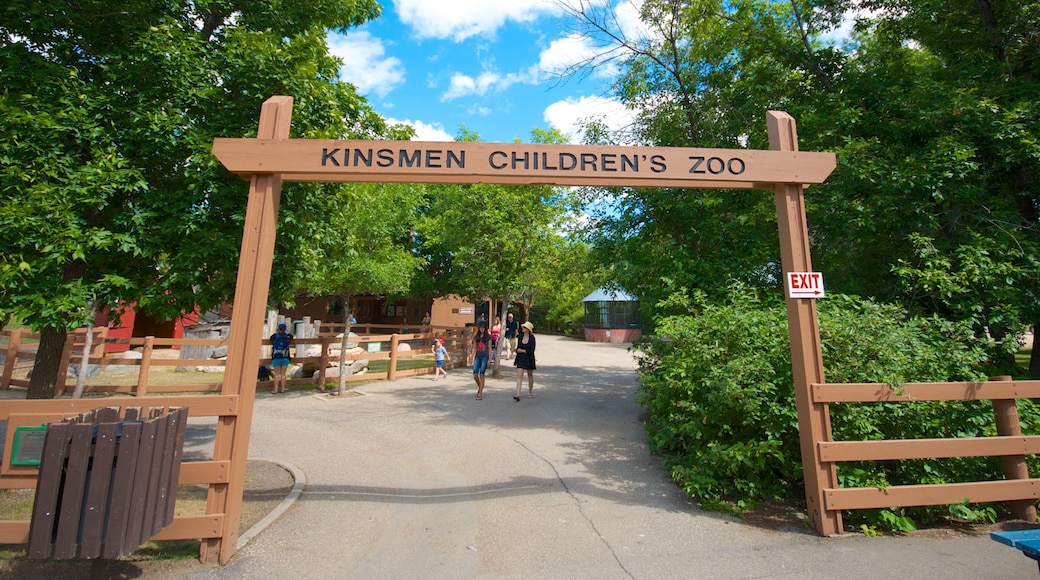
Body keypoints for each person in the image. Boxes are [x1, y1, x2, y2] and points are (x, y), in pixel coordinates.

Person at [513, 321, 536, 401]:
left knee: (530, 375)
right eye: (523, 327)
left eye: (525, 327)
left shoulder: (532, 338)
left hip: (529, 358)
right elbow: (518, 347)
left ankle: (530, 391)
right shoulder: (520, 337)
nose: (523, 328)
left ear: (528, 329)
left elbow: (532, 350)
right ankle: (517, 394)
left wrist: (523, 350)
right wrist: (516, 350)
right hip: (520, 358)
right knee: (519, 376)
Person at [269, 323, 294, 393]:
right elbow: (291, 337)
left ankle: (275, 389)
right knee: (283, 374)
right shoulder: (288, 337)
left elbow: (271, 340)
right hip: (285, 357)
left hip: (276, 358)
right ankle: (283, 389)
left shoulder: (274, 336)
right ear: (285, 329)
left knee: (276, 374)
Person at [472, 321, 492, 400]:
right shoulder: (476, 336)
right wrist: (471, 356)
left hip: (485, 356)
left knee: (482, 374)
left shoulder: (488, 336)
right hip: (478, 356)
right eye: (481, 327)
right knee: (475, 374)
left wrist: (489, 359)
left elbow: (490, 348)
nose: (482, 329)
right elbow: (474, 348)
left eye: (483, 327)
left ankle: (480, 393)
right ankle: (480, 386)